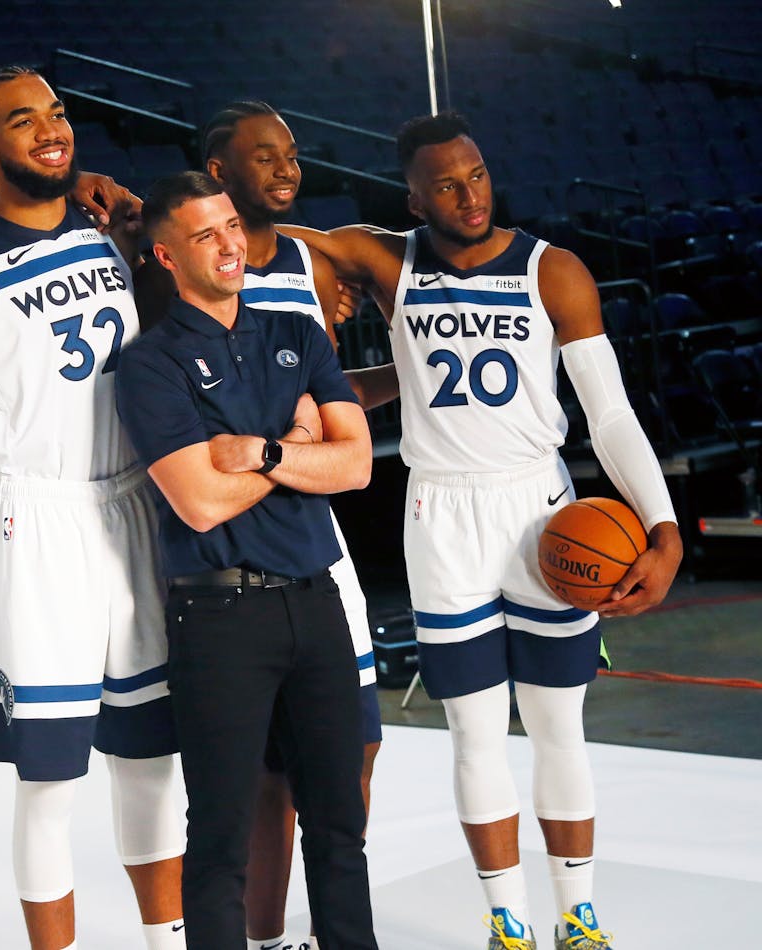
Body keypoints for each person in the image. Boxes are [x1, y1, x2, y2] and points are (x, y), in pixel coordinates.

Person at [295, 111, 682, 950]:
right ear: (413, 195)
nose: (469, 195)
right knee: (472, 730)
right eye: (445, 183)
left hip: (541, 510)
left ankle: (577, 918)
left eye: (476, 174)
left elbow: (608, 414)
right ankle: (506, 921)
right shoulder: (387, 259)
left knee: (557, 725)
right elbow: (269, 233)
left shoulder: (555, 270)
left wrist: (663, 526)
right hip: (442, 515)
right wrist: (329, 282)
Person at [0, 64, 185, 950]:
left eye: (56, 113)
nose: (50, 129)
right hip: (41, 518)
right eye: (23, 121)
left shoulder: (111, 227)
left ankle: (165, 943)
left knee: (149, 759)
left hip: (135, 502)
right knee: (49, 781)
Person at [134, 101, 398, 950]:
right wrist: (296, 448)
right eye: (205, 236)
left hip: (315, 598)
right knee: (218, 840)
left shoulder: (295, 331)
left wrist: (259, 454)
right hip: (218, 615)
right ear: (168, 256)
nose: (229, 245)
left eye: (230, 229)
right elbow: (198, 502)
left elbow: (355, 465)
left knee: (339, 825)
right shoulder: (148, 364)